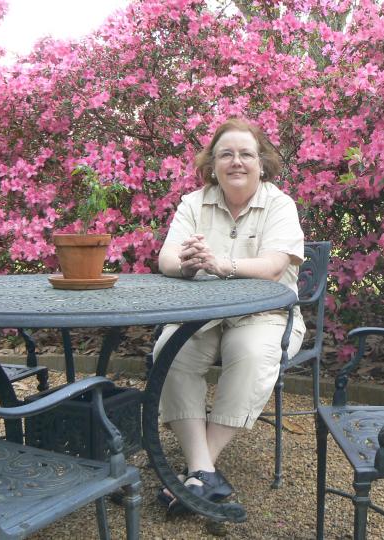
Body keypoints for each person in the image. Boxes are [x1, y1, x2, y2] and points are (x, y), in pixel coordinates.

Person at [154, 118, 306, 514]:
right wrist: (186, 264)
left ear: (261, 162)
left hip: (264, 315)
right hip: (201, 314)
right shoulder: (193, 203)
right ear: (213, 164)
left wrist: (223, 264)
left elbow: (274, 266)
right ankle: (202, 470)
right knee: (170, 351)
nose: (236, 162)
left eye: (245, 154)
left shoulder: (279, 204)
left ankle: (197, 470)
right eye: (226, 154)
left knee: (252, 355)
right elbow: (167, 258)